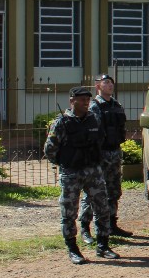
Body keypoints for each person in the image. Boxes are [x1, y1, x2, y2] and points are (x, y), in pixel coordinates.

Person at [44, 87, 119, 264]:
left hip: (93, 171)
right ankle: (73, 249)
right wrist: (65, 163)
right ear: (72, 101)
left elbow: (100, 141)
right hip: (71, 172)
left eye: (87, 99)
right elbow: (50, 149)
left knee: (102, 208)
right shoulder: (62, 123)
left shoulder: (93, 120)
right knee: (69, 212)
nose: (86, 102)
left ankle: (103, 246)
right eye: (81, 99)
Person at [80, 74, 129, 243]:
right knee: (93, 191)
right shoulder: (94, 106)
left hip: (114, 152)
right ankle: (85, 228)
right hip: (100, 154)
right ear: (98, 86)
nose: (110, 85)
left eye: (111, 82)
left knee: (114, 190)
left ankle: (111, 224)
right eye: (106, 82)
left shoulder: (117, 105)